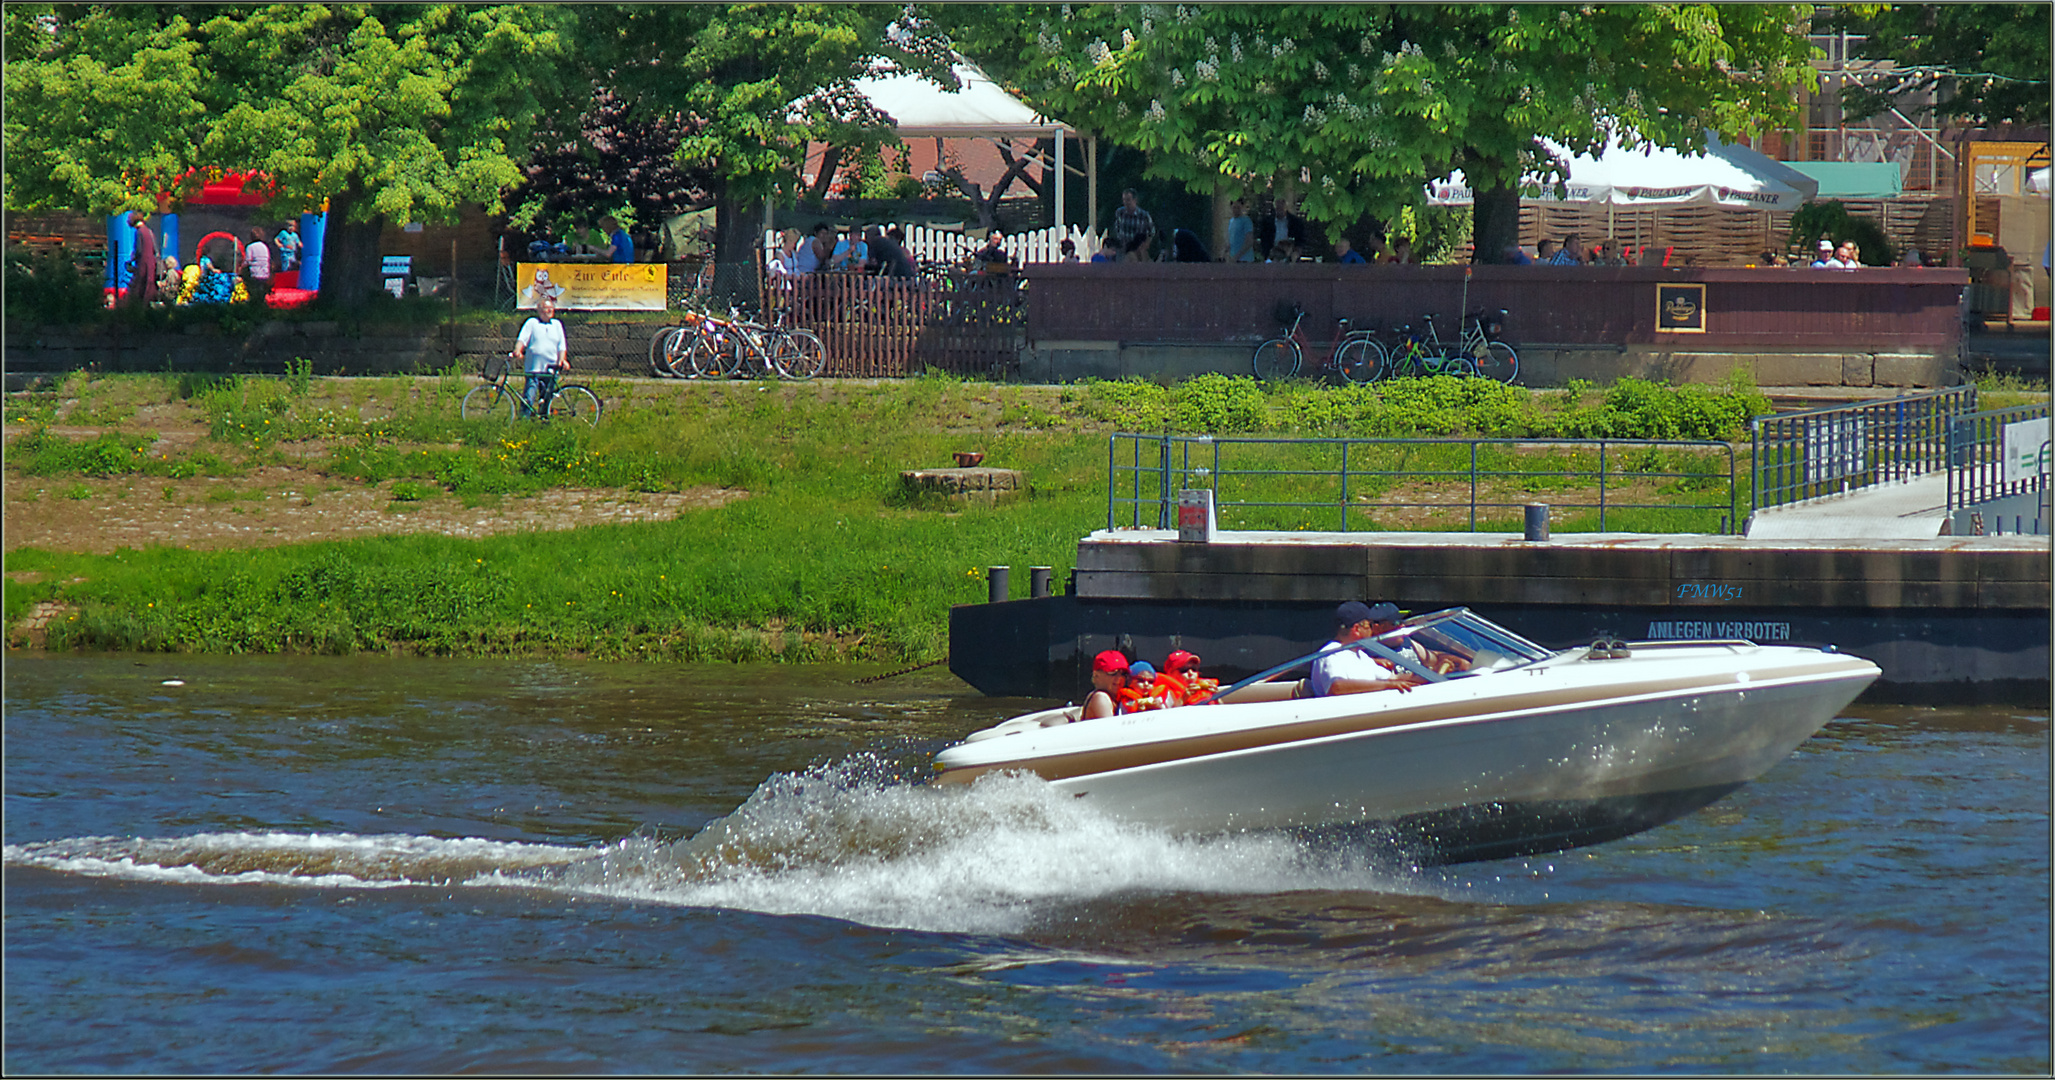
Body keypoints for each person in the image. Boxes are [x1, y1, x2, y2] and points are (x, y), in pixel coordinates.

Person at [1308, 601, 1419, 697]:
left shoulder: (1361, 655)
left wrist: (1429, 675)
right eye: (1369, 625)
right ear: (1357, 629)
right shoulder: (1331, 653)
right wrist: (1387, 686)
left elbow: (1393, 678)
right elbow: (1336, 687)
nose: (1372, 631)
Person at [513, 293, 570, 413]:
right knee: (529, 397)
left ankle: (545, 420)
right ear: (539, 309)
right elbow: (522, 339)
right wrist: (518, 350)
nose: (549, 310)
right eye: (546, 307)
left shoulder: (557, 325)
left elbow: (561, 346)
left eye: (551, 308)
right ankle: (524, 421)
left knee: (547, 399)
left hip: (550, 369)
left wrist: (562, 360)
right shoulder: (532, 323)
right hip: (534, 368)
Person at [1083, 649, 1130, 720]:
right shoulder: (1101, 697)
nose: (1119, 678)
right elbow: (1110, 729)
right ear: (1096, 675)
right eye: (1112, 673)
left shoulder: (1116, 699)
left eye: (1123, 673)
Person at [125, 210, 158, 307]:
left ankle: (138, 308)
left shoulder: (139, 232)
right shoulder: (149, 231)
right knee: (149, 286)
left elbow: (138, 250)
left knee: (140, 286)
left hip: (143, 263)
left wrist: (132, 259)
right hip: (151, 264)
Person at [1112, 188, 1154, 261]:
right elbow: (1117, 228)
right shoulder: (1120, 213)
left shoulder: (1144, 215)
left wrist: (1145, 245)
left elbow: (1151, 232)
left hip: (1138, 250)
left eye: (1128, 200)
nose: (1126, 202)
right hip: (1123, 248)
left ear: (1135, 200)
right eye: (1124, 200)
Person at [242, 226, 272, 304]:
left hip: (255, 274)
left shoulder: (250, 247)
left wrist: (241, 268)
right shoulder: (264, 246)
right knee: (261, 293)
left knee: (253, 291)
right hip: (265, 273)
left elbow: (248, 261)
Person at [1226, 198, 1257, 263]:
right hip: (1234, 259)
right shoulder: (1231, 221)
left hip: (1245, 260)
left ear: (1242, 207)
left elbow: (1249, 242)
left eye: (1238, 207)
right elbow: (1230, 241)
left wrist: (1237, 256)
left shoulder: (1246, 221)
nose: (1236, 210)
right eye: (1234, 207)